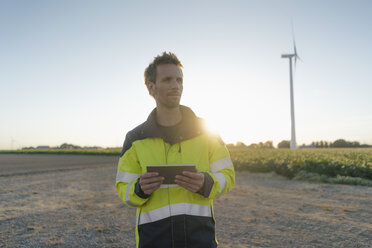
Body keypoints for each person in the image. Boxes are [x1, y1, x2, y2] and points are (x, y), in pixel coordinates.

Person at [116, 52, 235, 248]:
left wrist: (206, 182)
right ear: (151, 87)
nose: (176, 85)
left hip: (200, 239)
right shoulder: (135, 139)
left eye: (179, 80)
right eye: (168, 79)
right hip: (154, 239)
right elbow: (123, 189)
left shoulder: (206, 131)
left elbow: (228, 176)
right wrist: (139, 188)